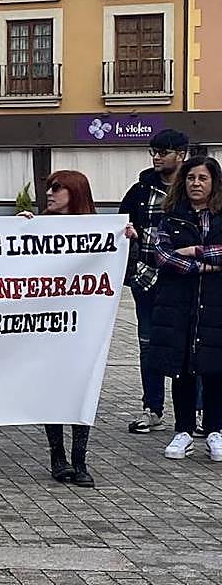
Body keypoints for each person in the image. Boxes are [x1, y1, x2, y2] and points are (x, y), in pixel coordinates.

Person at [19, 170, 98, 487]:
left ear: (75, 192)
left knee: (82, 388)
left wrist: (126, 238)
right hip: (46, 326)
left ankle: (80, 459)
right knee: (52, 389)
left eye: (57, 188)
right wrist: (20, 228)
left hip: (82, 326)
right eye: (47, 188)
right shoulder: (39, 227)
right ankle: (58, 457)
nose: (49, 193)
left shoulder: (97, 232)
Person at [150, 155, 222, 463]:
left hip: (216, 304)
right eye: (191, 178)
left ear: (214, 183)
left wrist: (195, 251)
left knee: (215, 366)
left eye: (202, 179)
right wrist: (206, 267)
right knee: (182, 368)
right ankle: (183, 430)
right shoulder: (171, 216)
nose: (196, 184)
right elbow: (163, 257)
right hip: (179, 304)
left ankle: (216, 430)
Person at [119, 129, 189, 435]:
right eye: (154, 152)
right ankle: (152, 408)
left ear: (181, 154)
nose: (157, 157)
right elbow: (121, 224)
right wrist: (129, 234)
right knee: (148, 343)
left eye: (163, 151)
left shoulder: (194, 186)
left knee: (188, 343)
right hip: (146, 279)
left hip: (183, 278)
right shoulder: (141, 189)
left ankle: (195, 411)